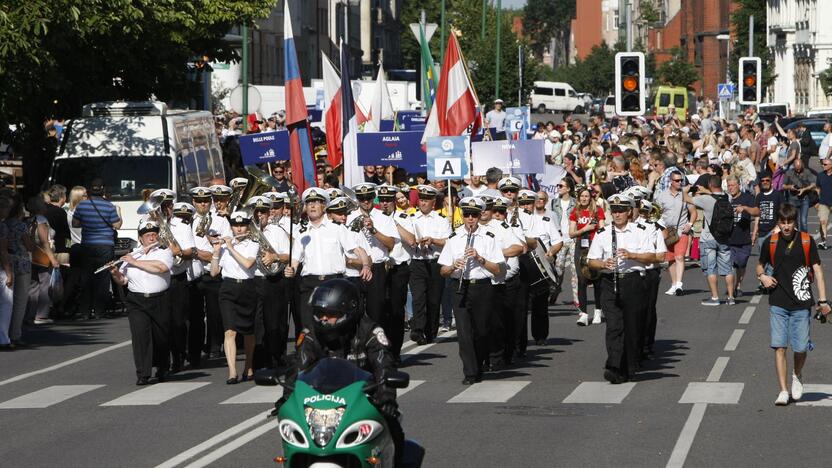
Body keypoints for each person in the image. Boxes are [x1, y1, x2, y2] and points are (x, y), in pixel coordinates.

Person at [272, 279, 404, 463]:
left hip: (364, 399)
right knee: (293, 434)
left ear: (348, 312)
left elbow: (384, 365)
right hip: (318, 400)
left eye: (330, 313)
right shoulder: (311, 334)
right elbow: (298, 366)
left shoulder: (370, 332)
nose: (324, 318)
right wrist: (287, 398)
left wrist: (386, 399)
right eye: (320, 313)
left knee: (393, 429)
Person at [757, 203, 830, 405]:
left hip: (802, 304)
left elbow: (819, 271)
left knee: (800, 348)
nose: (786, 226)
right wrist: (762, 276)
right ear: (778, 223)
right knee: (779, 347)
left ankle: (797, 374)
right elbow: (759, 265)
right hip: (778, 302)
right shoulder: (770, 242)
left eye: (790, 222)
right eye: (783, 222)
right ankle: (782, 390)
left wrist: (823, 300)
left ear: (795, 222)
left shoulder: (806, 241)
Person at [586, 193, 662, 384]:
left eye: (621, 210)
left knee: (632, 326)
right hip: (610, 282)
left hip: (633, 281)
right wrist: (603, 264)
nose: (617, 214)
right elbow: (591, 261)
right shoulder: (603, 233)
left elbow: (653, 257)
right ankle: (614, 366)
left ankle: (629, 365)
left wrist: (632, 255)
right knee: (613, 326)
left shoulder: (641, 230)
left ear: (629, 212)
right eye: (614, 211)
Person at [438, 197, 505, 384]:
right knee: (464, 333)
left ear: (479, 216)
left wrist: (480, 258)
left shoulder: (489, 237)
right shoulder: (454, 237)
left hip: (482, 287)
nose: (470, 218)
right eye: (466, 214)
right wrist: (453, 266)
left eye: (474, 215)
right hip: (460, 286)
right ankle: (470, 372)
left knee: (482, 332)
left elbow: (498, 269)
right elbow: (442, 271)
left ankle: (479, 362)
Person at [285, 187, 372, 330]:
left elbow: (358, 249)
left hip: (334, 283)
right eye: (309, 203)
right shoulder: (301, 232)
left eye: (316, 202)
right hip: (309, 284)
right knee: (309, 328)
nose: (312, 206)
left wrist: (366, 265)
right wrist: (291, 270)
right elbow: (295, 260)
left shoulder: (337, 228)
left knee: (335, 328)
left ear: (324, 206)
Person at [109, 221, 173, 385]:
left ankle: (162, 367)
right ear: (140, 239)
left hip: (160, 299)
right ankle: (143, 374)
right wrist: (115, 273)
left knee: (161, 337)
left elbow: (161, 268)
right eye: (148, 235)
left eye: (154, 234)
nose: (152, 237)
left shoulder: (164, 252)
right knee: (140, 336)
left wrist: (135, 262)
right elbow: (123, 281)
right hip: (137, 300)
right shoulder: (133, 255)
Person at [210, 210, 260, 384]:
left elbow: (248, 264)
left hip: (247, 288)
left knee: (248, 332)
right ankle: (232, 371)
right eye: (235, 226)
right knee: (229, 331)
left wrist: (231, 247)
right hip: (228, 289)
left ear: (247, 226)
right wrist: (216, 252)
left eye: (242, 225)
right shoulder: (224, 247)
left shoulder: (253, 244)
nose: (239, 229)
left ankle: (249, 366)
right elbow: (214, 272)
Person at [346, 183, 400, 325]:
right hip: (354, 270)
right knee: (354, 313)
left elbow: (391, 244)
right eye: (362, 198)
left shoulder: (384, 217)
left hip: (376, 269)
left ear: (374, 197)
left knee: (376, 312)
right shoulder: (349, 217)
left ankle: (374, 344)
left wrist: (374, 231)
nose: (365, 201)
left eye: (369, 198)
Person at [189, 186, 232, 364]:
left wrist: (198, 252)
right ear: (194, 202)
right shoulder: (188, 221)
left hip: (213, 271)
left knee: (215, 313)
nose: (202, 204)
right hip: (193, 272)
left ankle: (215, 346)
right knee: (195, 315)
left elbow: (226, 244)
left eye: (206, 201)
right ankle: (195, 349)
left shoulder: (220, 221)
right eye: (199, 201)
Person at [248, 196, 290, 370]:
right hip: (254, 280)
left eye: (263, 211)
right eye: (256, 211)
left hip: (273, 281)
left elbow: (289, 255)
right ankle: (259, 360)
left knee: (274, 322)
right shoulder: (245, 231)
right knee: (257, 323)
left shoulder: (277, 231)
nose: (260, 215)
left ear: (268, 213)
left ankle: (276, 356)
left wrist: (274, 256)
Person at [72, 178, 122, 319]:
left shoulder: (82, 206)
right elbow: (117, 226)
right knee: (103, 278)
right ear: (103, 190)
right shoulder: (109, 206)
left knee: (86, 278)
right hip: (105, 246)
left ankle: (85, 312)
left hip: (87, 244)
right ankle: (100, 311)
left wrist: (88, 223)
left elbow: (75, 224)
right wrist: (119, 214)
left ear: (89, 190)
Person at [407, 185, 451, 345]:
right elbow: (408, 239)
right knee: (418, 298)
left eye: (427, 201)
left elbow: (448, 241)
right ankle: (417, 330)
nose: (423, 203)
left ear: (433, 202)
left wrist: (433, 240)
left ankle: (430, 330)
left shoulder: (441, 220)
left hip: (435, 263)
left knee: (433, 300)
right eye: (421, 200)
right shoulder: (411, 219)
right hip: (417, 263)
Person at [684, 175, 736, 306]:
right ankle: (731, 297)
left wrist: (687, 188)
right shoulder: (727, 197)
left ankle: (715, 298)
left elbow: (685, 198)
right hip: (724, 238)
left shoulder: (705, 199)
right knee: (728, 269)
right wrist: (708, 190)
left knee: (710, 269)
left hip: (708, 238)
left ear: (710, 185)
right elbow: (717, 194)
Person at [654, 171, 696, 296]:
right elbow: (656, 214)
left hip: (681, 230)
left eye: (680, 180)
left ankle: (679, 284)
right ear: (671, 181)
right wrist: (660, 229)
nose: (679, 183)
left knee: (679, 257)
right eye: (677, 180)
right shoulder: (661, 196)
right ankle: (673, 284)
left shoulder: (684, 195)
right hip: (667, 231)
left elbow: (693, 212)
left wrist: (690, 224)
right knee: (670, 259)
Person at [569, 185, 605, 325]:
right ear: (578, 198)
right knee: (581, 279)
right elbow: (571, 233)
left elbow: (602, 229)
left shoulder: (598, 211)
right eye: (582, 196)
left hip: (595, 246)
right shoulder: (575, 212)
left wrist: (596, 233)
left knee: (597, 280)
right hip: (580, 247)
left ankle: (598, 311)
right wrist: (585, 228)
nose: (584, 198)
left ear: (591, 198)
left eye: (586, 196)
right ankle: (583, 313)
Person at [26, 196, 59, 325]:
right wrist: (53, 259)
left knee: (33, 287)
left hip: (31, 255)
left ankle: (30, 314)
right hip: (43, 256)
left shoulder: (28, 220)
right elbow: (45, 242)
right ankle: (41, 315)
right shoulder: (41, 220)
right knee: (44, 286)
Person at [726, 176, 759, 297]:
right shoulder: (727, 199)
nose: (731, 188)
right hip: (729, 239)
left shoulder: (747, 198)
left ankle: (737, 285)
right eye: (729, 186)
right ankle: (733, 287)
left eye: (733, 185)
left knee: (741, 264)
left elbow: (757, 212)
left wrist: (745, 208)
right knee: (729, 265)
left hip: (743, 238)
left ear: (739, 186)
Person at [782, 157, 815, 233]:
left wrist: (804, 189)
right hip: (792, 199)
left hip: (804, 199)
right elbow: (783, 186)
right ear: (793, 166)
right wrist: (790, 187)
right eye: (797, 169)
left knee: (803, 221)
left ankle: (804, 238)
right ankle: (796, 238)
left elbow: (813, 184)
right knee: (794, 220)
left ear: (802, 165)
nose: (798, 170)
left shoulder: (807, 172)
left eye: (800, 168)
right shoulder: (789, 173)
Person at [0, 197, 14, 350]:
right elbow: (3, 251)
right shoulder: (2, 227)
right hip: (0, 269)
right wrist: (9, 272)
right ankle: (3, 338)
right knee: (6, 303)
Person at [816, 158, 832, 249]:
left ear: (831, 165)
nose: (823, 166)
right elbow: (818, 187)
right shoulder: (820, 175)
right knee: (823, 221)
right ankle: (823, 242)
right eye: (823, 164)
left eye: (825, 164)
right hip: (823, 203)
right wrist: (819, 199)